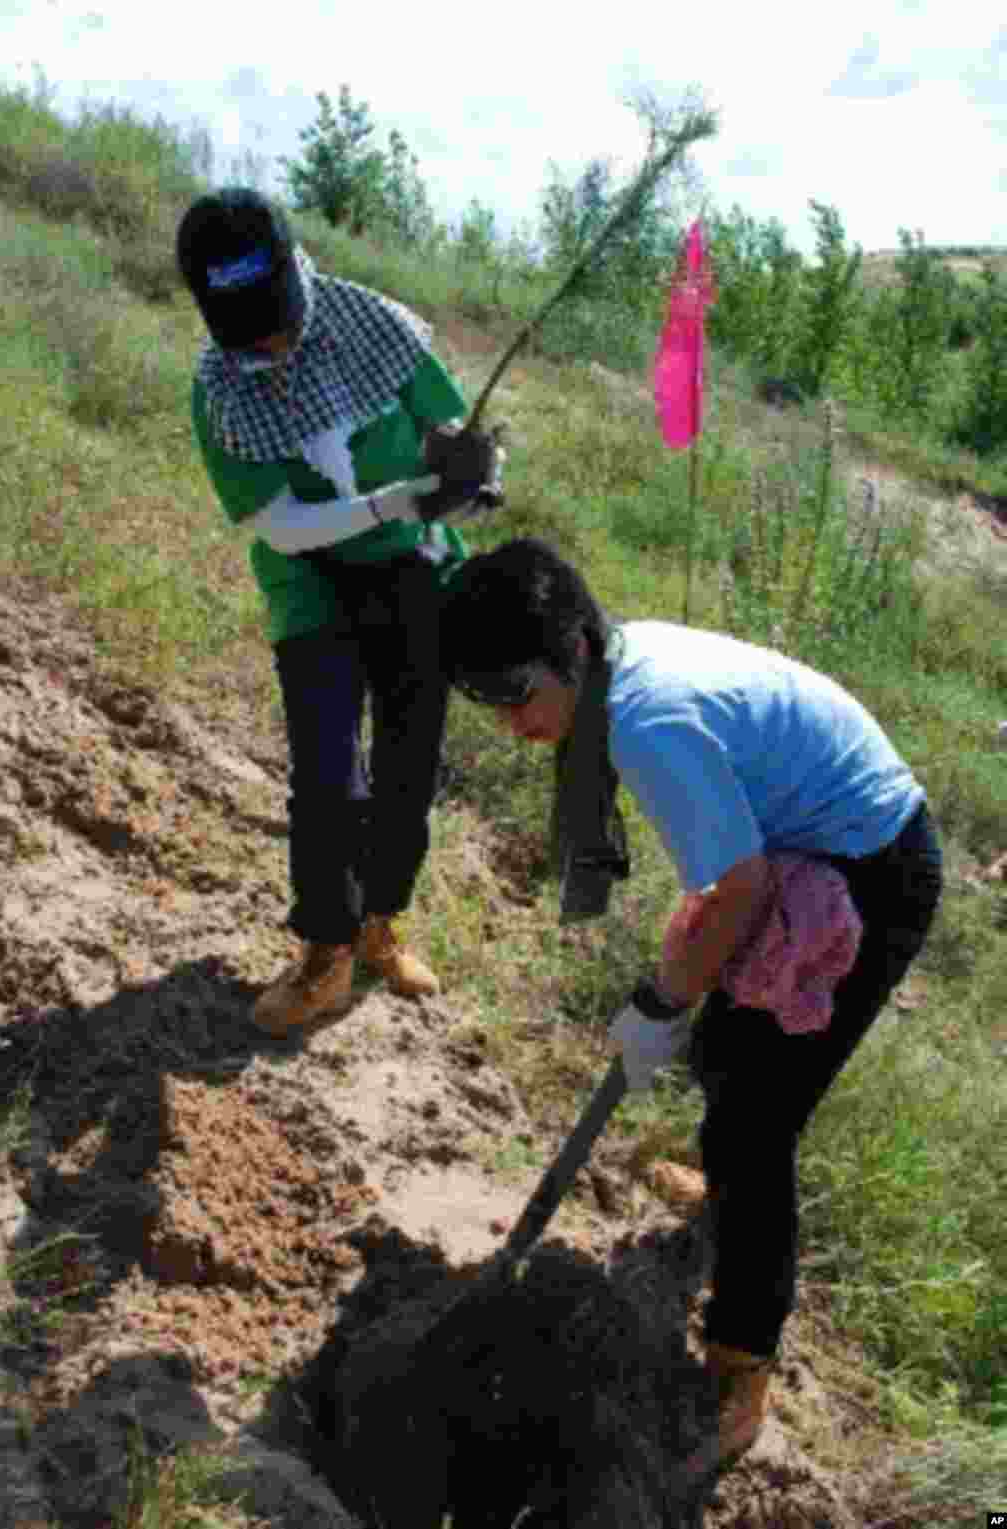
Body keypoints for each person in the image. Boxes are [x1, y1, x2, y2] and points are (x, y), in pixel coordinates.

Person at [439, 536, 942, 1473]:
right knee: (724, 1057)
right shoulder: (618, 668)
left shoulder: (644, 723)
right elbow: (731, 880)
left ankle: (742, 1363)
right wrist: (680, 999)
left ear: (573, 652)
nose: (511, 724)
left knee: (758, 1121)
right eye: (487, 702)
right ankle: (719, 1203)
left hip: (871, 874)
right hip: (812, 850)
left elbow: (742, 887)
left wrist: (663, 999)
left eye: (516, 695)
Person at [176, 188, 501, 1036]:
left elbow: (454, 425)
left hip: (411, 567)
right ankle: (323, 951)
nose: (272, 346)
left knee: (410, 759)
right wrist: (392, 501)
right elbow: (282, 525)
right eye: (248, 333)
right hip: (310, 575)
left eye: (277, 321)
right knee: (327, 774)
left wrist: (471, 475)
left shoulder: (377, 324)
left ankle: (378, 925)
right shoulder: (218, 394)